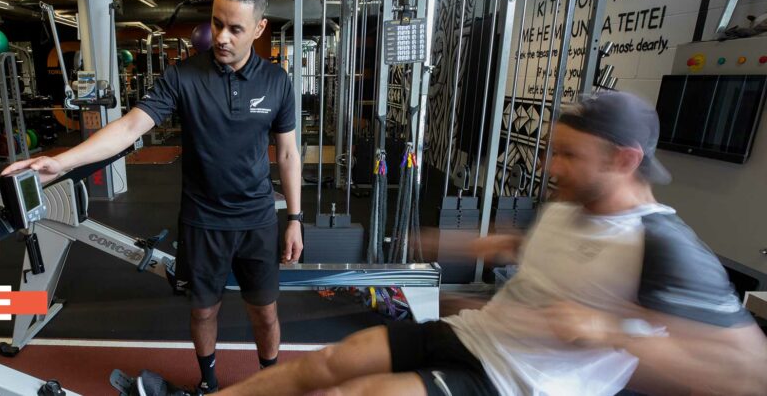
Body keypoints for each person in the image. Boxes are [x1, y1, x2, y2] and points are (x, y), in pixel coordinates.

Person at [215, 92, 767, 396]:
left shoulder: (664, 244)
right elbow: (536, 254)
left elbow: (746, 373)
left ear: (624, 161)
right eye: (555, 151)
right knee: (332, 362)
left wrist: (609, 331)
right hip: (477, 336)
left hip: (522, 381)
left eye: (571, 156)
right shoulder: (570, 206)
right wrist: (472, 247)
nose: (552, 168)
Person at [3, 0, 303, 393]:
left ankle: (273, 380)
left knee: (265, 313)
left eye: (235, 28)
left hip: (256, 220)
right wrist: (60, 162)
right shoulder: (183, 77)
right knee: (202, 312)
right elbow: (128, 128)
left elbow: (288, 154)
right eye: (217, 23)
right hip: (203, 221)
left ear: (259, 28)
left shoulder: (276, 82)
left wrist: (294, 218)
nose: (221, 37)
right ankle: (209, 382)